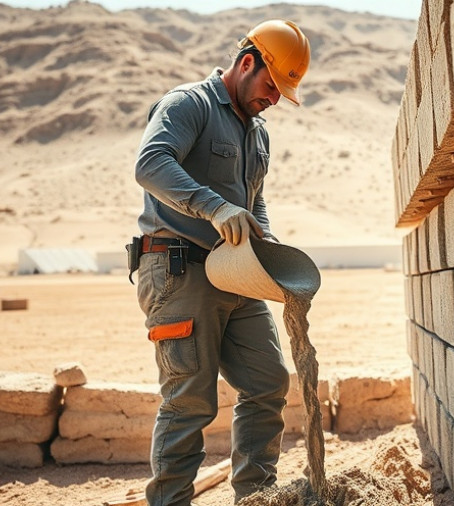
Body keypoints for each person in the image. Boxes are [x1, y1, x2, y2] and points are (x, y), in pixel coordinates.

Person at [131, 19, 311, 506]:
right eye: (272, 85)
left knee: (268, 381)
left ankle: (256, 498)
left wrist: (265, 239)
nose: (274, 98)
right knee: (190, 400)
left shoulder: (258, 132)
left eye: (282, 92)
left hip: (236, 272)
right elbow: (150, 164)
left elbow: (253, 201)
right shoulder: (189, 105)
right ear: (246, 63)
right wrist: (212, 206)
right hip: (177, 270)